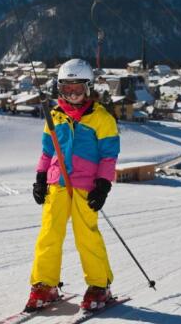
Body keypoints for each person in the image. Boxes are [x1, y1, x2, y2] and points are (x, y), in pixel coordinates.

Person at [25, 59, 119, 312]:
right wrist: (41, 177)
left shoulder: (102, 119)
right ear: (59, 89)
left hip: (85, 186)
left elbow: (109, 156)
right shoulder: (53, 116)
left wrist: (102, 185)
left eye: (77, 88)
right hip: (57, 184)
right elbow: (47, 151)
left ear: (88, 88)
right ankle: (45, 284)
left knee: (86, 235)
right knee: (49, 234)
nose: (72, 94)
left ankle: (99, 285)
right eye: (66, 89)